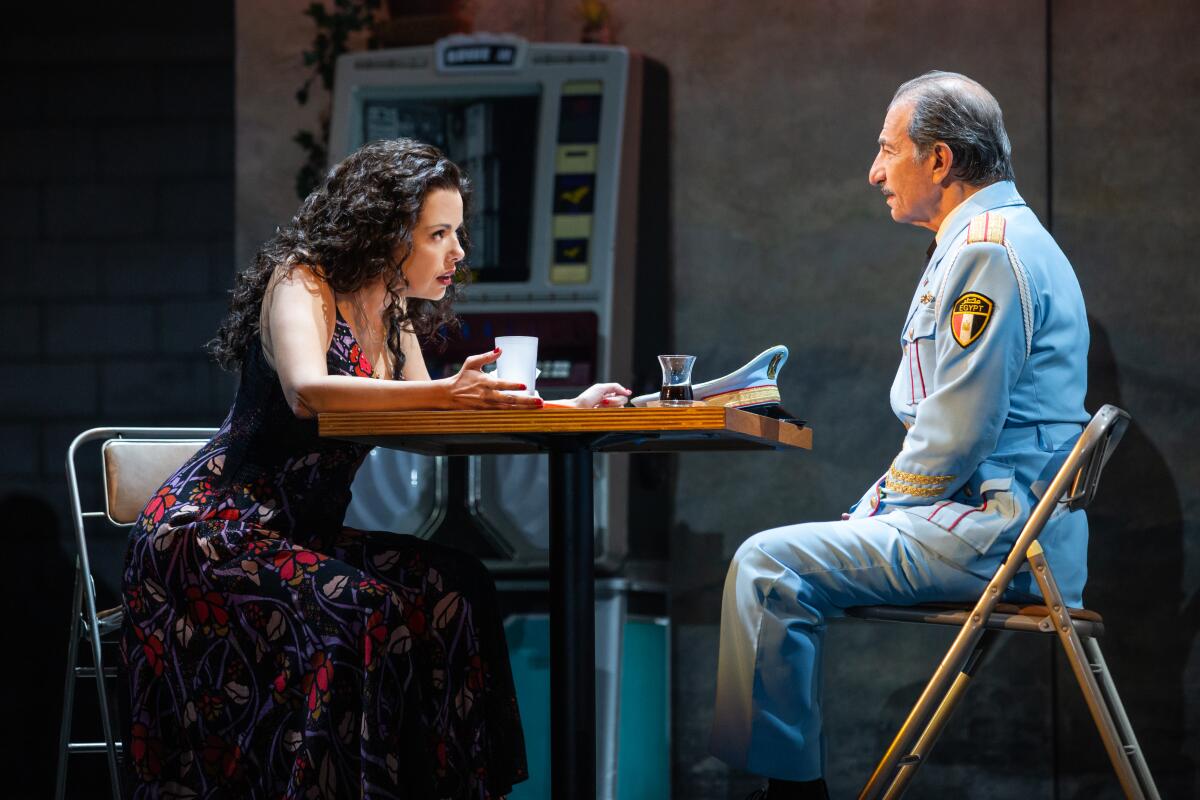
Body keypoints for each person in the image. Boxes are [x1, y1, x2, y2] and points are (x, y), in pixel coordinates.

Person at [121, 138, 630, 799]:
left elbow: (431, 419)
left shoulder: (391, 310)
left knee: (459, 584)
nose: (458, 253)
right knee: (368, 609)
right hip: (212, 535)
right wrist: (444, 391)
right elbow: (309, 389)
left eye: (458, 233)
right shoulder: (302, 282)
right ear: (388, 232)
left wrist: (562, 409)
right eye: (439, 233)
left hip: (300, 535)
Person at [709, 71, 1090, 799]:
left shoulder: (986, 249)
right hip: (1008, 527)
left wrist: (875, 512)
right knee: (778, 561)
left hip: (1000, 535)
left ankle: (789, 795)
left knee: (767, 567)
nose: (874, 171)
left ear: (940, 160)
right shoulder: (993, 238)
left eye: (888, 150)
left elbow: (957, 434)